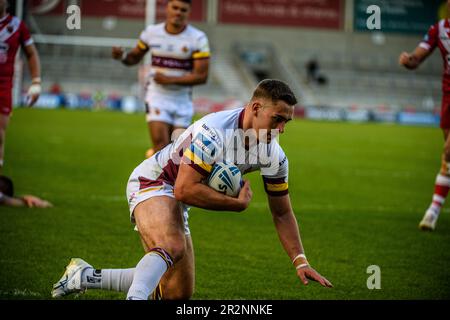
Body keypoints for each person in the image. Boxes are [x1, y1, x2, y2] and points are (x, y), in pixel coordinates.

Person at [51, 79, 333, 300]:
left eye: (287, 122)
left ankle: (83, 276)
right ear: (256, 109)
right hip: (155, 182)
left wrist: (300, 260)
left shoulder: (275, 156)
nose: (282, 129)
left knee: (177, 294)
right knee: (172, 245)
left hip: (178, 197)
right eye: (278, 119)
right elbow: (184, 189)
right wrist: (234, 204)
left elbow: (282, 213)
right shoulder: (214, 131)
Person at [112, 0, 210, 159]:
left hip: (182, 100)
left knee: (179, 154)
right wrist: (122, 56)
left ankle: (157, 159)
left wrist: (169, 79)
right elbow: (134, 58)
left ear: (188, 12)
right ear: (168, 8)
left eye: (183, 10)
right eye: (175, 7)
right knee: (161, 146)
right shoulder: (151, 32)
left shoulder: (198, 38)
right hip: (157, 97)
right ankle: (158, 176)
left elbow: (202, 76)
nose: (178, 12)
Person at [399, 1, 450, 231]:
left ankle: (433, 210)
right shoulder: (438, 29)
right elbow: (417, 58)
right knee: (448, 160)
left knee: (449, 151)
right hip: (448, 96)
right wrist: (409, 60)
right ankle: (435, 209)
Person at [0, 0, 41, 173]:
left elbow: (31, 53)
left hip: (3, 85)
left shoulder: (17, 25)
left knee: (0, 134)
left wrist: (36, 82)